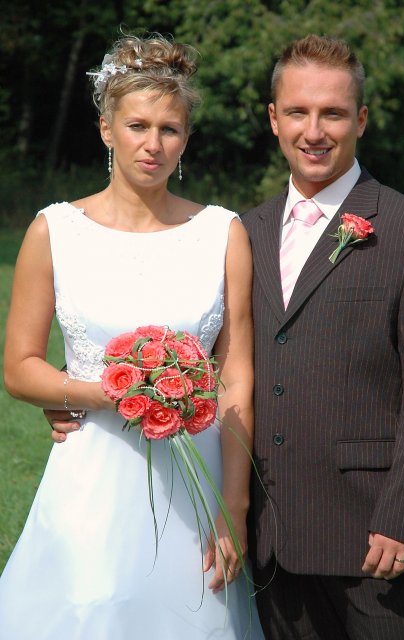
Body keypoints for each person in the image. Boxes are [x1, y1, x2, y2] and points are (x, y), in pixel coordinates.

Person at [0, 33, 264, 639]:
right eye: (138, 126)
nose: (153, 144)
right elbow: (19, 367)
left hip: (197, 485)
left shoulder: (222, 233)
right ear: (106, 129)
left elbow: (236, 376)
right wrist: (107, 394)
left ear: (186, 139)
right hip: (91, 479)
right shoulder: (54, 231)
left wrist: (234, 504)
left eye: (170, 129)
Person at [240, 34, 404, 639]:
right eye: (298, 112)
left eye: (333, 113)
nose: (314, 131)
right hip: (273, 544)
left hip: (378, 544)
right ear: (274, 118)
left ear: (360, 120)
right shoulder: (244, 233)